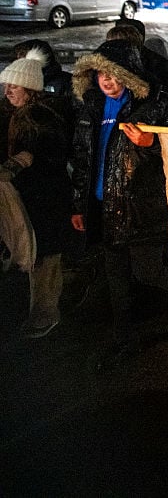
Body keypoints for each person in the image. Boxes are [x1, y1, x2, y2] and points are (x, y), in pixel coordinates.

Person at [70, 39, 168, 362]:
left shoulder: (151, 106)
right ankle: (124, 339)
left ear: (127, 75)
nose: (106, 81)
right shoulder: (93, 108)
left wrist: (152, 142)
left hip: (141, 209)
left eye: (112, 74)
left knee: (151, 273)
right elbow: (84, 158)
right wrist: (80, 205)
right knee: (117, 279)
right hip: (103, 208)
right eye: (100, 75)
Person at [0, 49, 72, 338]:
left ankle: (45, 316)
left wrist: (14, 166)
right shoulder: (17, 113)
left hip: (46, 198)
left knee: (44, 259)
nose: (8, 91)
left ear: (30, 88)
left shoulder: (39, 118)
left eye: (14, 86)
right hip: (29, 197)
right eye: (6, 86)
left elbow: (38, 154)